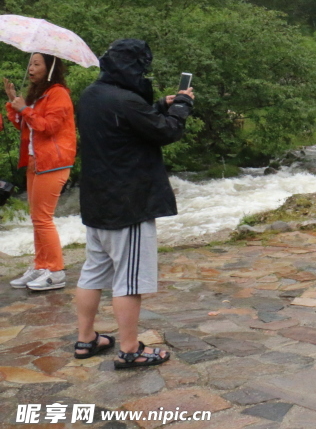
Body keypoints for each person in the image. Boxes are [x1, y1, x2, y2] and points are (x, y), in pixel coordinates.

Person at [73, 39, 194, 368]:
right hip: (129, 202)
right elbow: (166, 132)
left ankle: (86, 339)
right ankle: (129, 350)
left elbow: (124, 124)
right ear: (135, 67)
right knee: (128, 280)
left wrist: (158, 104)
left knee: (93, 273)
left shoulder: (91, 95)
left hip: (96, 200)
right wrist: (181, 106)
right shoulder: (126, 100)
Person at [4, 54, 77, 291]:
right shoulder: (38, 94)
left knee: (43, 219)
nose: (31, 68)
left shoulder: (58, 93)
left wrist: (25, 108)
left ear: (50, 68)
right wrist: (14, 103)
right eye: (30, 64)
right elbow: (24, 125)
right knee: (36, 218)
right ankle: (40, 265)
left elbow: (48, 127)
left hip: (54, 162)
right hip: (36, 161)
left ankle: (55, 271)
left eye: (37, 64)